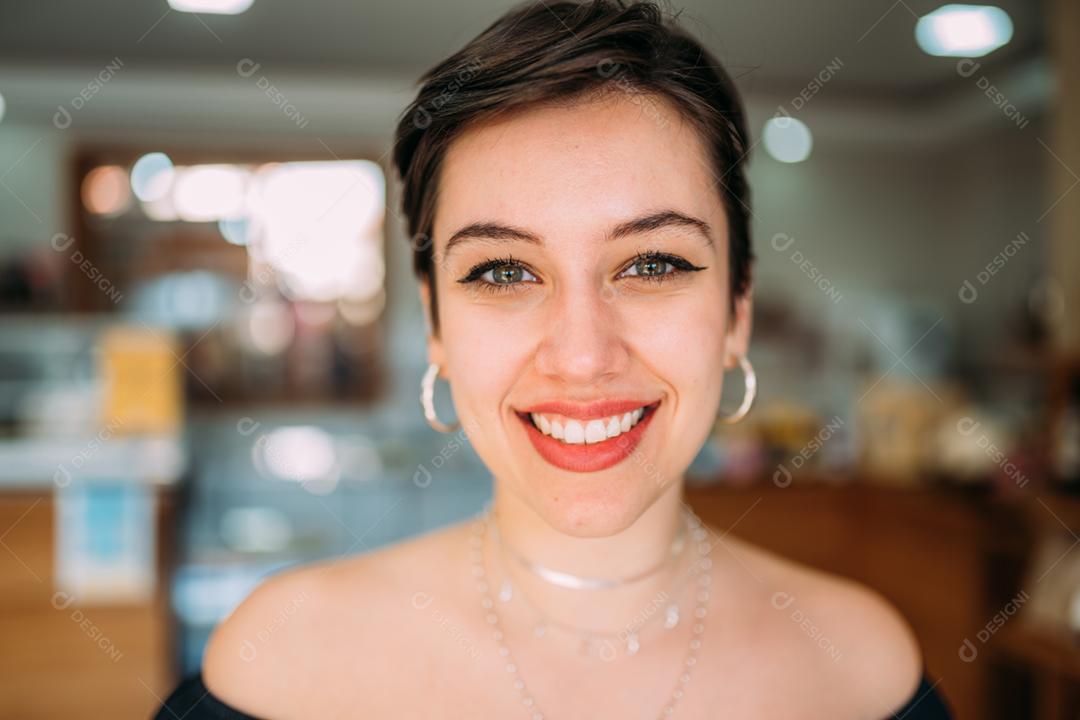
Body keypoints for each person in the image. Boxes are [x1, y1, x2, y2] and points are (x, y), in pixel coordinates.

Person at [155, 1, 953, 717]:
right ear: (435, 321)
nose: (581, 356)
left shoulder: (858, 671)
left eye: (652, 264)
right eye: (503, 272)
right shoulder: (281, 663)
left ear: (736, 309)